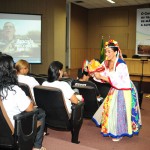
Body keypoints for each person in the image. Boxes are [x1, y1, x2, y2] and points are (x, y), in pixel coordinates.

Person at [91, 39, 142, 142]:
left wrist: (101, 76)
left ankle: (119, 132)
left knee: (120, 111)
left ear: (115, 52)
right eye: (106, 51)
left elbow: (118, 81)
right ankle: (112, 128)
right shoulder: (106, 62)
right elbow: (101, 72)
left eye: (109, 51)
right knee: (110, 109)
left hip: (124, 89)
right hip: (115, 88)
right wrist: (93, 71)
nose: (107, 54)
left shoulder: (121, 64)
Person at [0, 54, 46, 150]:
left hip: (2, 129)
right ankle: (37, 146)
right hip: (13, 128)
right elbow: (30, 109)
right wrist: (29, 100)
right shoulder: (14, 90)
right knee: (41, 113)